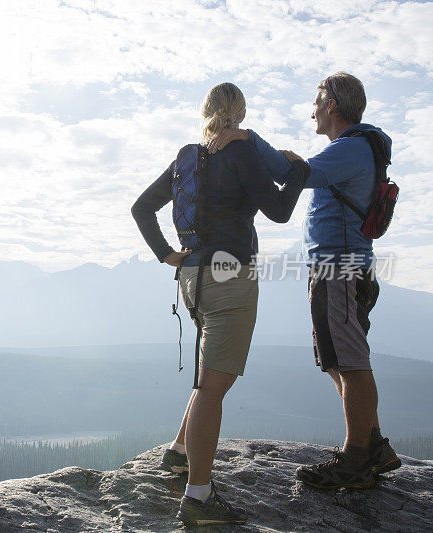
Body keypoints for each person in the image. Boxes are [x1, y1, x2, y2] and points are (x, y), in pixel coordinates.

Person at [208, 72, 401, 490]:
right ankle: (373, 446)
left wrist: (247, 138)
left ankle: (356, 459)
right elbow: (298, 172)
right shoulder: (350, 150)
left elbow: (294, 175)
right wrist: (289, 161)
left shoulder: (351, 149)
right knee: (337, 360)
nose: (312, 109)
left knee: (350, 362)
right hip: (336, 269)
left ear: (333, 104)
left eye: (316, 100)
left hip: (339, 269)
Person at [131, 82, 310, 526]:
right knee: (215, 385)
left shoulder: (186, 158)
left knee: (208, 373)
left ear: (206, 111)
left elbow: (141, 208)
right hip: (229, 277)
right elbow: (280, 209)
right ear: (240, 114)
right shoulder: (241, 153)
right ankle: (198, 497)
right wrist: (300, 171)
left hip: (192, 277)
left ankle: (178, 453)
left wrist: (167, 254)